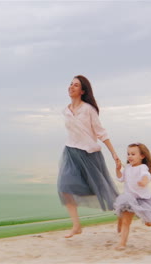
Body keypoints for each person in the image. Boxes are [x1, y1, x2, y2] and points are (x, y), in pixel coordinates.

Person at [57, 75, 121, 238]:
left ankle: (122, 213)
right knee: (65, 188)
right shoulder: (65, 110)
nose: (71, 87)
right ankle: (76, 225)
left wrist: (113, 153)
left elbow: (101, 132)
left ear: (83, 91)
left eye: (76, 85)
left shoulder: (88, 110)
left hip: (89, 154)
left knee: (104, 190)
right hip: (71, 153)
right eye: (70, 84)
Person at [114, 142, 151, 250]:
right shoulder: (128, 168)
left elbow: (146, 175)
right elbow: (121, 179)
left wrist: (144, 181)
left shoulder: (142, 167)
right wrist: (118, 169)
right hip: (129, 200)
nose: (130, 156)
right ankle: (122, 243)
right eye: (128, 154)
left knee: (148, 223)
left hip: (142, 200)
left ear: (142, 156)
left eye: (133, 154)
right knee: (126, 221)